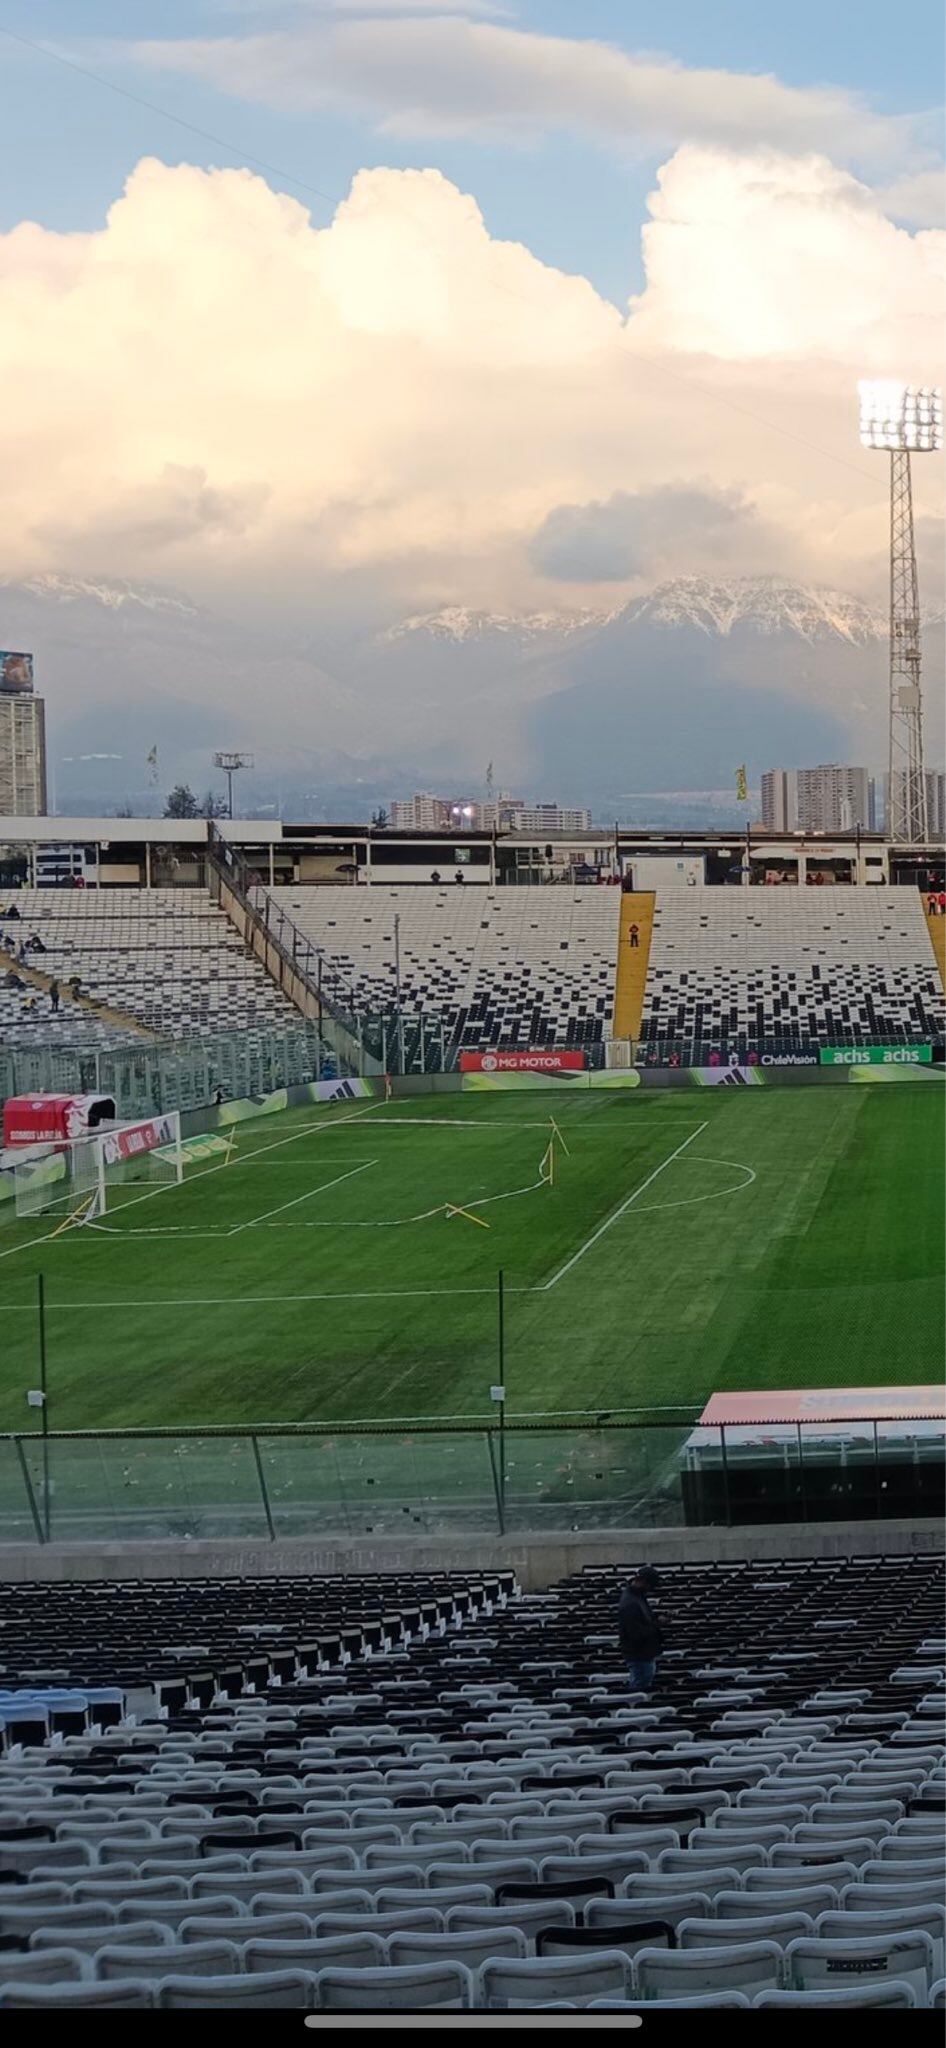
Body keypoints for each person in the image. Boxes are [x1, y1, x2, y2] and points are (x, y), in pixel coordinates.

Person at [618, 1565, 663, 1692]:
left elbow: (644, 1619)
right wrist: (657, 1624)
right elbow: (636, 1634)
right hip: (639, 1655)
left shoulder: (636, 1596)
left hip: (643, 1654)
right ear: (642, 1581)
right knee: (639, 1690)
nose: (649, 1589)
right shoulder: (630, 1603)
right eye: (650, 1585)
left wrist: (656, 1618)